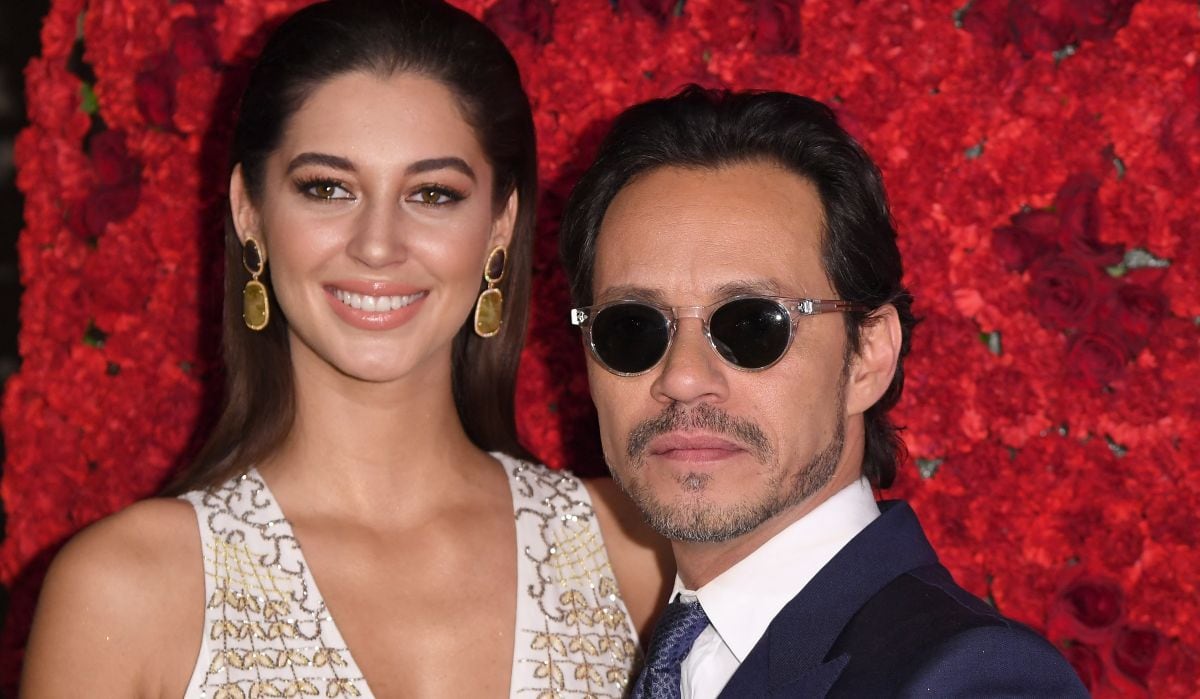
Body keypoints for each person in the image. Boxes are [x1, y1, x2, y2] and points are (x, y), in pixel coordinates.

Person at [20, 1, 668, 696]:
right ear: (249, 213)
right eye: (328, 188)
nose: (377, 244)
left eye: (432, 193)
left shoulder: (629, 551)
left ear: (501, 224)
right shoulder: (127, 590)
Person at [558, 86, 1089, 698]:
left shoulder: (971, 681)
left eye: (752, 326)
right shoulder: (647, 656)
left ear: (868, 354)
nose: (681, 377)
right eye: (632, 329)